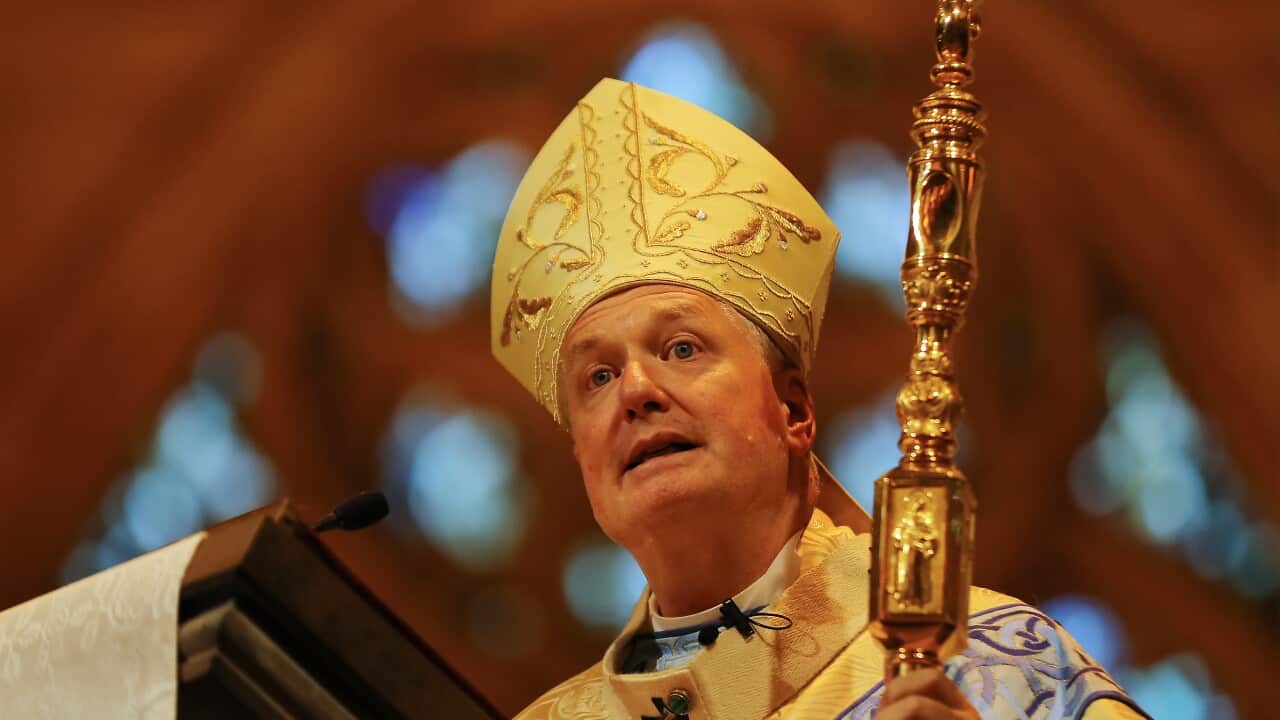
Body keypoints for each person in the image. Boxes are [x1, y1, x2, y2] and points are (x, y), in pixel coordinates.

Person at [491, 78, 1147, 720]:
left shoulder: (995, 669)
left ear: (796, 411)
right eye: (598, 377)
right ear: (581, 457)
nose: (635, 390)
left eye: (682, 348)